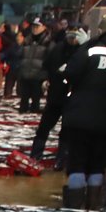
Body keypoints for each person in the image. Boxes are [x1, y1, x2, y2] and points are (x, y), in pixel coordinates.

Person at [59, 16, 106, 209]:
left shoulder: (91, 48)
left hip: (80, 115)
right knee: (98, 162)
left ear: (100, 31)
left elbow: (70, 73)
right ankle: (94, 208)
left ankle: (74, 210)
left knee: (77, 161)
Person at [29, 28, 83, 162]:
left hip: (72, 98)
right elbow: (46, 66)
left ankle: (62, 159)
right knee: (44, 127)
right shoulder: (57, 48)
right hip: (55, 95)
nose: (72, 39)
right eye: (70, 36)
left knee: (66, 131)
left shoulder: (83, 52)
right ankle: (35, 155)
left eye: (75, 36)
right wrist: (46, 79)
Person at [16, 22, 50, 113]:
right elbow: (19, 54)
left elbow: (50, 57)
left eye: (37, 26)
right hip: (25, 72)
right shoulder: (27, 40)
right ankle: (23, 110)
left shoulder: (48, 41)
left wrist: (46, 72)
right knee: (24, 96)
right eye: (34, 26)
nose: (35, 28)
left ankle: (35, 110)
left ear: (44, 27)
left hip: (39, 74)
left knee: (36, 96)